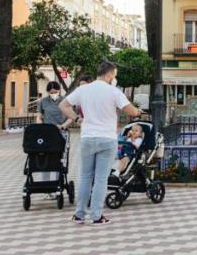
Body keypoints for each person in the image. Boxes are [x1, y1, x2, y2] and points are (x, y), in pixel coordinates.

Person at [61, 59, 143, 225]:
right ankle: (97, 216)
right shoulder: (113, 91)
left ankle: (79, 214)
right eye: (115, 75)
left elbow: (63, 105)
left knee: (84, 177)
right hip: (107, 139)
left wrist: (77, 119)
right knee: (100, 179)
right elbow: (132, 111)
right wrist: (138, 111)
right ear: (109, 74)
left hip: (87, 138)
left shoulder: (83, 89)